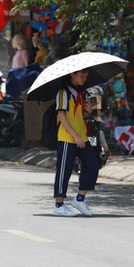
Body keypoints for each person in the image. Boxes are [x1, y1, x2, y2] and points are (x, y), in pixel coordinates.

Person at [52, 68, 98, 217]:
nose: (84, 78)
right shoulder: (63, 92)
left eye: (86, 75)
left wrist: (88, 111)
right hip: (67, 138)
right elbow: (62, 116)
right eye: (81, 75)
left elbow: (78, 114)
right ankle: (59, 205)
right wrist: (75, 136)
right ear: (72, 74)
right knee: (64, 171)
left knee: (93, 165)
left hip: (82, 136)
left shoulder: (81, 92)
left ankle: (80, 198)